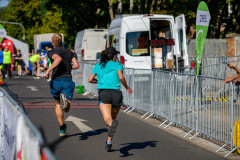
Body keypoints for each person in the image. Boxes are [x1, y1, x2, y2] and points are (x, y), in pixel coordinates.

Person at [88, 47, 133, 152]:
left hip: (104, 94)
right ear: (114, 56)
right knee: (112, 119)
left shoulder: (99, 65)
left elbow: (90, 80)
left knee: (108, 120)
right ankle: (109, 142)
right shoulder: (118, 65)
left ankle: (110, 133)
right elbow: (121, 77)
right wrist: (127, 87)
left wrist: (98, 82)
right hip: (117, 94)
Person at [44, 33, 79, 136]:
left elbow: (58, 59)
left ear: (52, 42)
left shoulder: (51, 52)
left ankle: (61, 128)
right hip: (67, 80)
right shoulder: (69, 51)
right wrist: (68, 67)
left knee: (58, 104)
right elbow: (76, 65)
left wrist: (48, 70)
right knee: (67, 108)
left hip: (56, 81)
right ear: (61, 41)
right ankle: (66, 103)